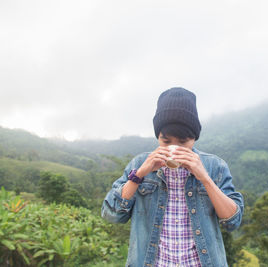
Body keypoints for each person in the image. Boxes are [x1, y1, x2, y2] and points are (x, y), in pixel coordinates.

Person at [101, 87, 244, 267]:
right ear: (158, 137)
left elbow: (232, 222)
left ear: (194, 138)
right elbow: (111, 215)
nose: (174, 148)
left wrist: (205, 178)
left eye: (183, 142)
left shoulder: (215, 167)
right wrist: (138, 176)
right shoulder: (139, 165)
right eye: (166, 141)